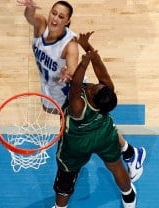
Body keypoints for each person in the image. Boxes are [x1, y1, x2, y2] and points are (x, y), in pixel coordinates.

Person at [17, 0, 146, 182]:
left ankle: (131, 153)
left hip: (73, 93)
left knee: (95, 126)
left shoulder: (69, 45)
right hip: (51, 90)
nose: (55, 18)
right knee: (87, 124)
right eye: (54, 13)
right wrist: (29, 8)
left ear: (68, 21)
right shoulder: (42, 26)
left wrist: (67, 73)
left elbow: (72, 64)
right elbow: (30, 17)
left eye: (61, 16)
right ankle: (131, 152)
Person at [52, 32, 139, 208]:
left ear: (91, 98)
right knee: (116, 166)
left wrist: (84, 63)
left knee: (66, 176)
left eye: (92, 90)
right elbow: (101, 69)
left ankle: (60, 207)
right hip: (104, 135)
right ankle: (129, 197)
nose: (91, 86)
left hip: (77, 143)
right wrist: (88, 48)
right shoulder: (106, 93)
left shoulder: (78, 107)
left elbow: (75, 86)